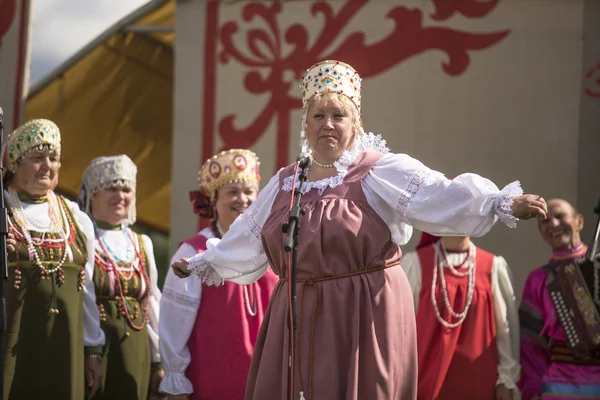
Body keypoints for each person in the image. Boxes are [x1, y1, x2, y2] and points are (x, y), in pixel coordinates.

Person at [172, 60, 548, 400]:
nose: (328, 124)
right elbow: (248, 233)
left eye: (339, 115)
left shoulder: (378, 170)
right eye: (319, 115)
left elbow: (439, 193)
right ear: (306, 122)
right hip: (297, 311)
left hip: (363, 311)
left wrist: (500, 201)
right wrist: (206, 261)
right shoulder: (287, 181)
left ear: (356, 121)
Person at [159, 149, 278, 400]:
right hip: (212, 382)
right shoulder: (194, 250)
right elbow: (174, 322)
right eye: (232, 192)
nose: (242, 199)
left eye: (248, 192)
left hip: (265, 381)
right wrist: (176, 381)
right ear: (214, 201)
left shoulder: (273, 247)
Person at [2, 118, 105, 399]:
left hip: (65, 348)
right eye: (37, 157)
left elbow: (87, 291)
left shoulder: (76, 217)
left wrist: (93, 350)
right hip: (13, 346)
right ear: (14, 164)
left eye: (54, 158)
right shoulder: (3, 209)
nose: (47, 165)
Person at [78, 155, 163, 399]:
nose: (120, 195)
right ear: (93, 193)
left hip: (137, 351)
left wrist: (158, 360)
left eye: (126, 189)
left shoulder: (142, 243)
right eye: (111, 188)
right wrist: (90, 351)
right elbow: (84, 295)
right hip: (98, 349)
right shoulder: (84, 237)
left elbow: (152, 302)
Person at [402, 232, 520, 400]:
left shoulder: (493, 267)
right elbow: (403, 332)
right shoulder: (416, 263)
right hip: (426, 384)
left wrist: (506, 379)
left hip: (479, 385)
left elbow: (506, 330)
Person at [519, 198, 600, 399]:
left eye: (560, 216)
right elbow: (531, 343)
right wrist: (533, 390)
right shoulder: (538, 279)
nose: (553, 224)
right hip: (558, 387)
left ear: (579, 222)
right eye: (545, 221)